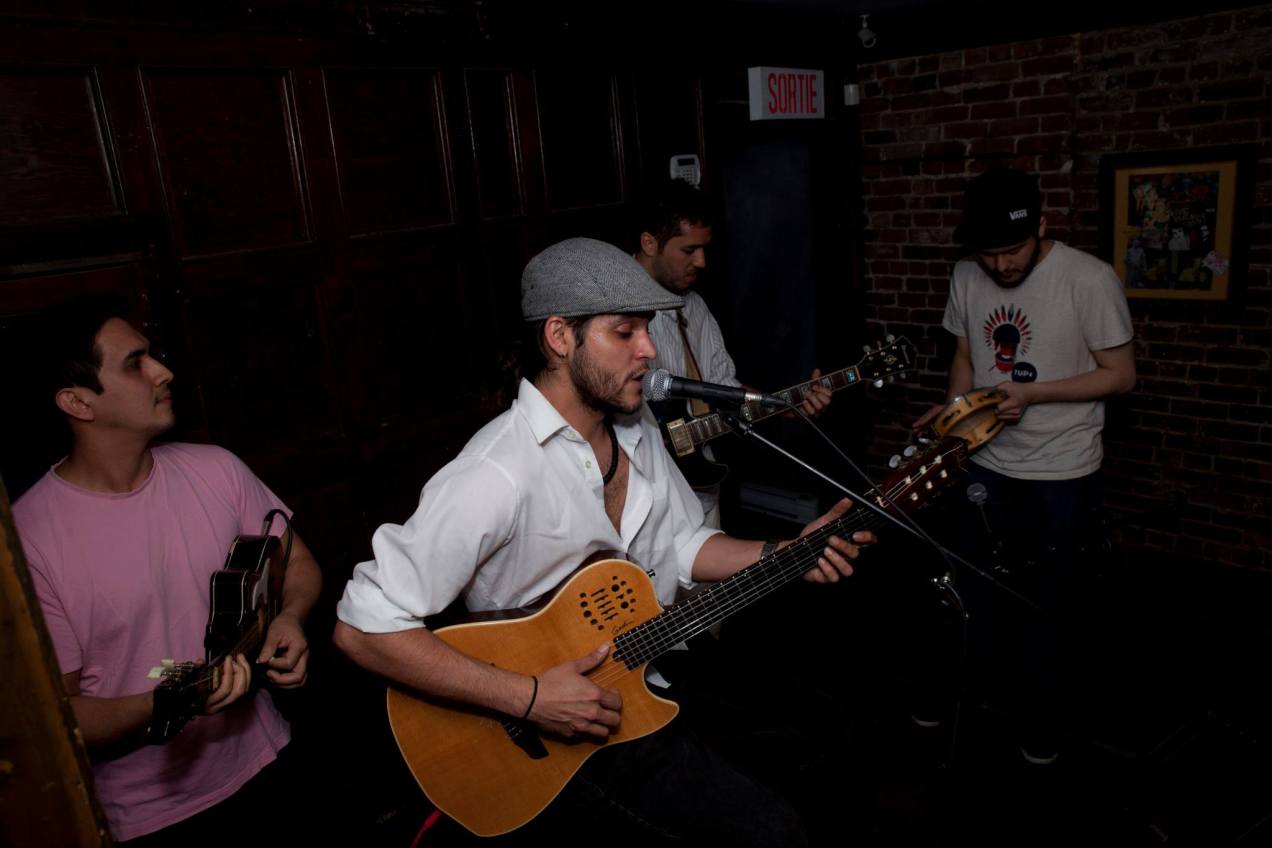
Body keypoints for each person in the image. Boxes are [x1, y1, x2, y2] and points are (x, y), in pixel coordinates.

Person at [334, 237, 874, 846]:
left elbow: (682, 545)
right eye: (625, 332)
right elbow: (362, 629)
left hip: (654, 666)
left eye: (647, 329)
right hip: (555, 724)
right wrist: (530, 697)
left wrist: (787, 552)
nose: (649, 349)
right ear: (560, 337)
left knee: (825, 726)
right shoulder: (495, 472)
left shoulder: (636, 428)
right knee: (773, 835)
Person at [12, 299, 323, 844]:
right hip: (149, 816)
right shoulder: (28, 539)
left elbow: (296, 562)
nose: (162, 371)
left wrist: (290, 618)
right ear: (78, 401)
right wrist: (171, 699)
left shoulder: (215, 468)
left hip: (268, 757)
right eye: (136, 363)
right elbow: (57, 717)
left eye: (151, 355)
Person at [912, 167, 1136, 763]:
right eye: (988, 254)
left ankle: (1041, 720)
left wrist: (1033, 394)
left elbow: (1121, 375)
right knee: (964, 587)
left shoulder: (1089, 278)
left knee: (1048, 600)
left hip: (1063, 469)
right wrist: (956, 414)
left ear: (1041, 226)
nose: (1001, 265)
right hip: (986, 460)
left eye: (1012, 250)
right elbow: (966, 354)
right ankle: (961, 696)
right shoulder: (967, 273)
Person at [633, 179, 832, 526]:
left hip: (699, 488)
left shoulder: (694, 308)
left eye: (704, 248)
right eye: (689, 250)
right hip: (641, 497)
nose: (702, 261)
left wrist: (787, 406)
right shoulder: (611, 308)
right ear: (649, 243)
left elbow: (724, 389)